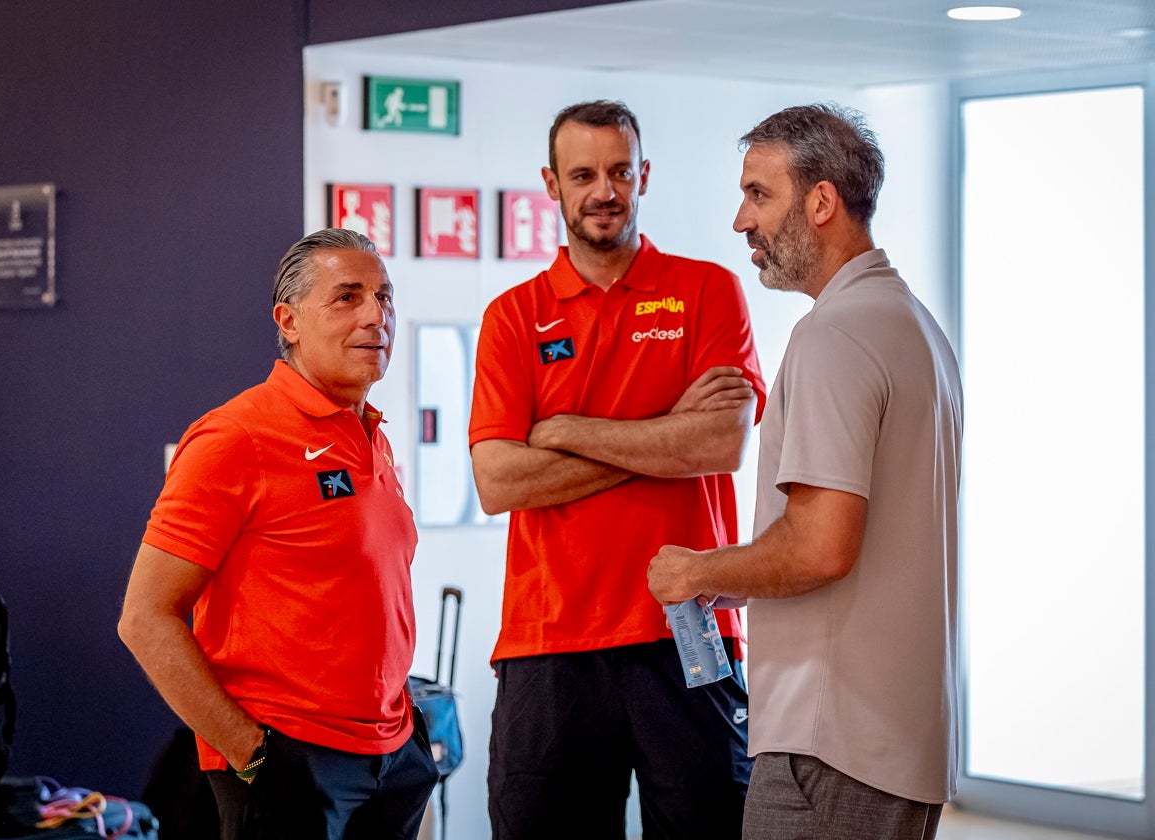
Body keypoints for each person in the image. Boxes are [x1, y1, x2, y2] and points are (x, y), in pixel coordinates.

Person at [647, 103, 964, 840]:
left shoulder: (835, 336)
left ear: (821, 201)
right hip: (894, 739)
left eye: (759, 194)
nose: (740, 220)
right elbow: (869, 536)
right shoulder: (914, 327)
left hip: (830, 746)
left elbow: (822, 546)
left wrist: (699, 571)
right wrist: (731, 577)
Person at [468, 99, 767, 839]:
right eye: (584, 174)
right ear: (552, 183)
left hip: (688, 631)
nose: (605, 191)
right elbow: (501, 480)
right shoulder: (514, 316)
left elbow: (720, 443)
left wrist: (568, 432)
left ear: (644, 176)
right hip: (550, 641)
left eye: (619, 172)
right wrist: (666, 433)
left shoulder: (706, 291)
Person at [118, 228, 438, 840]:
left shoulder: (373, 435)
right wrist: (255, 755)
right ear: (288, 321)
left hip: (392, 755)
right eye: (347, 297)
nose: (376, 314)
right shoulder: (235, 438)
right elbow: (144, 618)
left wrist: (406, 735)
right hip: (290, 764)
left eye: (384, 297)